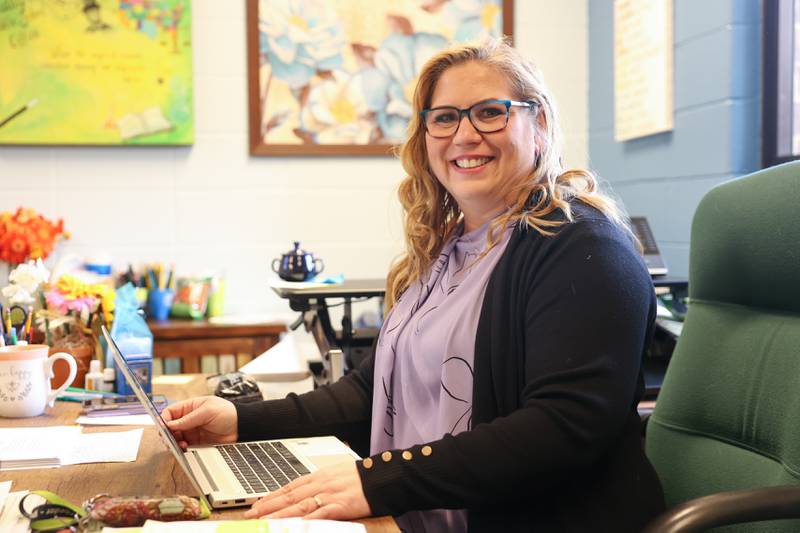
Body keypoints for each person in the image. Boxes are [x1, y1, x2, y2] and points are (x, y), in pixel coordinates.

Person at [163, 38, 665, 532]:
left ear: (540, 125)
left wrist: (377, 481)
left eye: (490, 112)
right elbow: (373, 387)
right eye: (444, 118)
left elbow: (561, 427)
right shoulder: (447, 247)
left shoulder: (582, 248)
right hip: (406, 512)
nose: (465, 135)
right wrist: (242, 420)